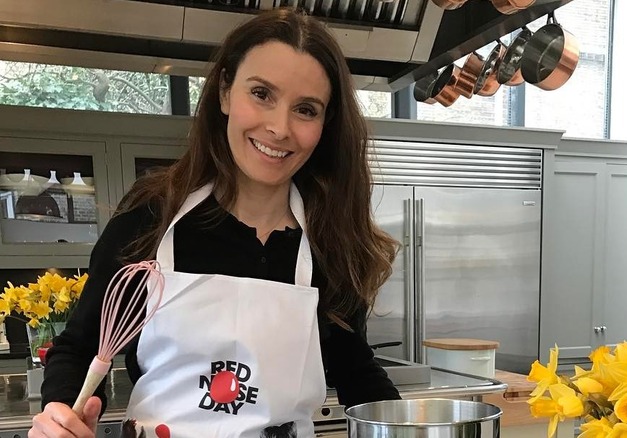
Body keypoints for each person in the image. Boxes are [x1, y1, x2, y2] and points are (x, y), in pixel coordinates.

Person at [30, 8, 401, 438]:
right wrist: (59, 413)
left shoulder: (329, 240)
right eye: (261, 94)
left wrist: (404, 427)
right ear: (225, 91)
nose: (280, 128)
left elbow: (355, 369)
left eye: (306, 109)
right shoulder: (152, 215)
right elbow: (80, 346)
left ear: (325, 124)